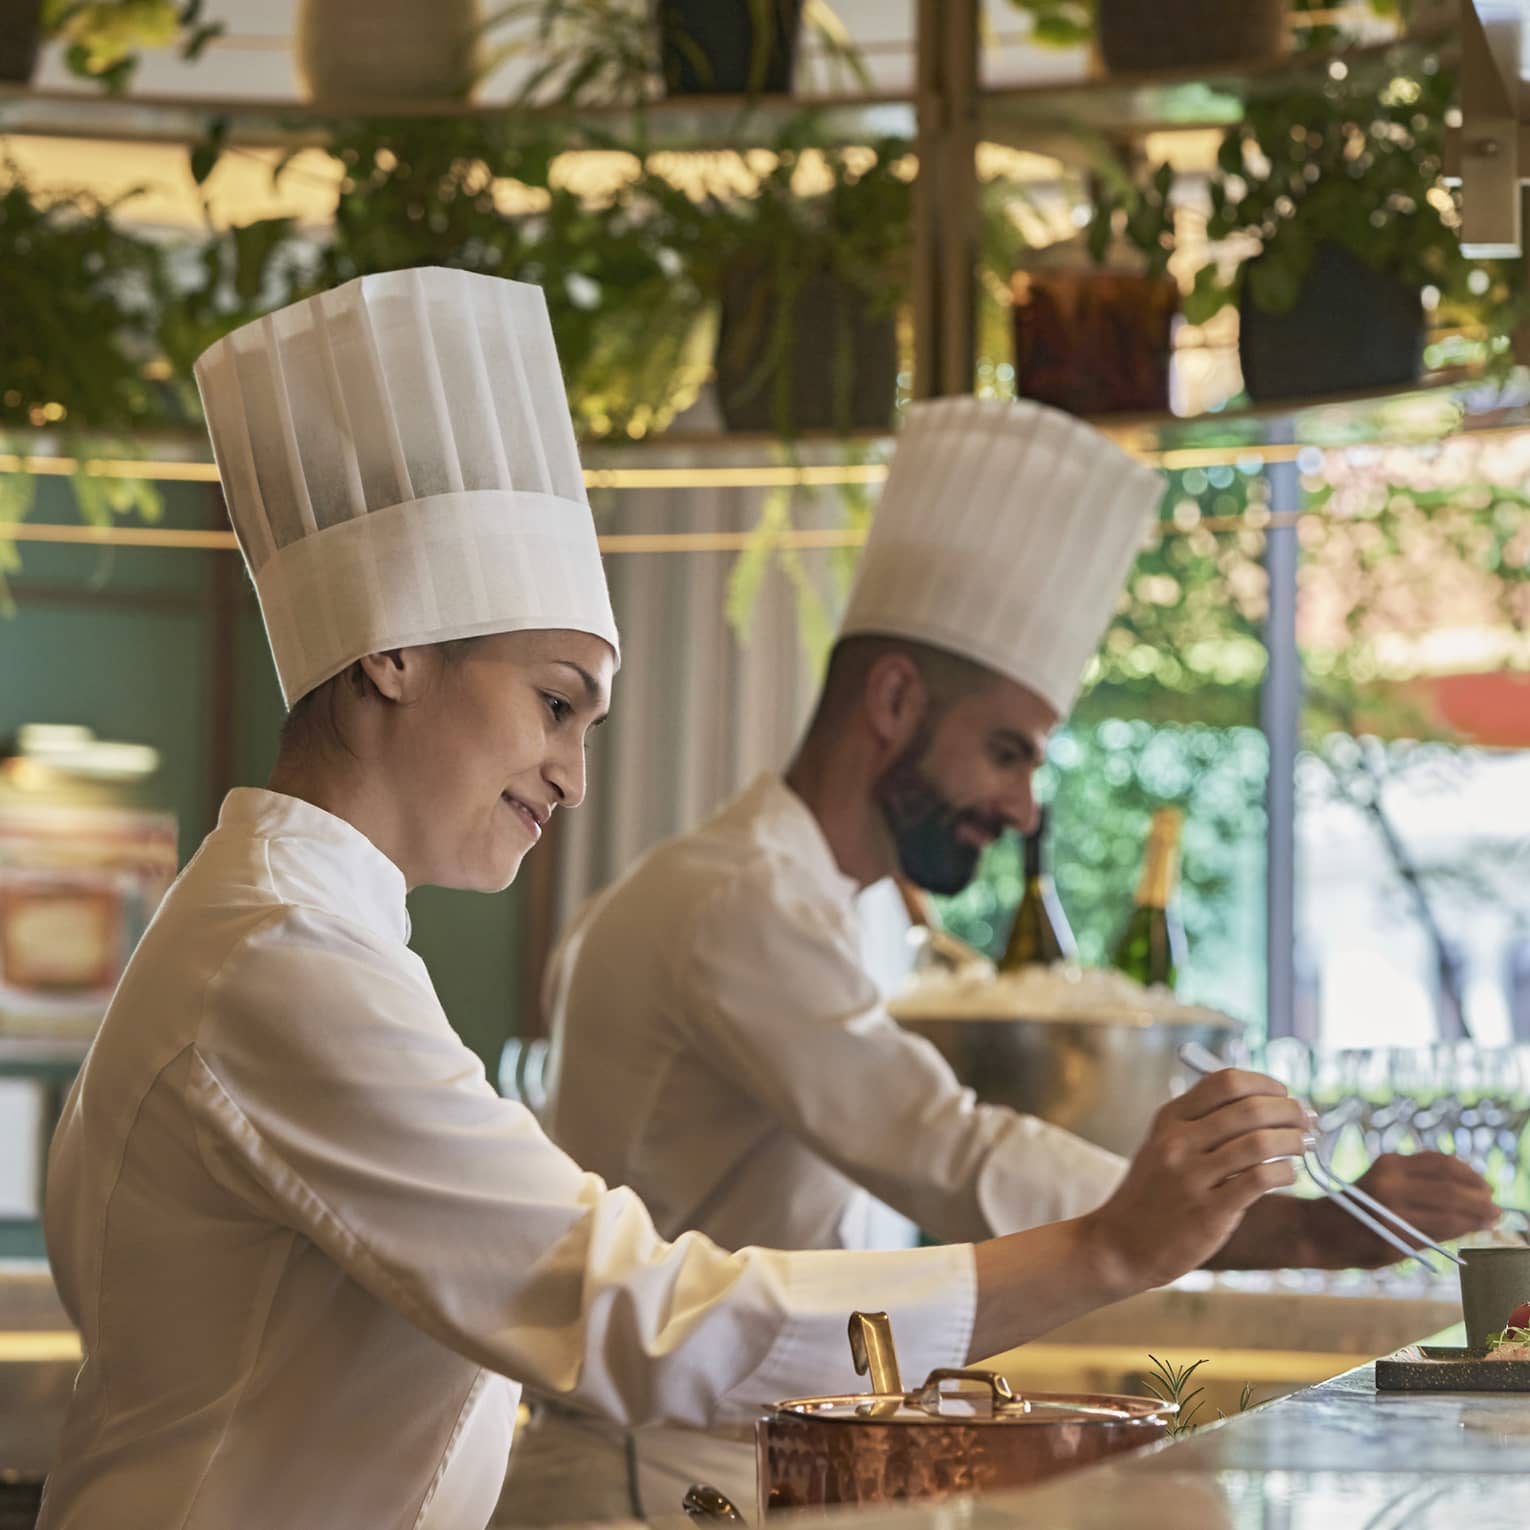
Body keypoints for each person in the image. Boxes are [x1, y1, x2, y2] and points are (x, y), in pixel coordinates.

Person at [35, 270, 1319, 1530]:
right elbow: (629, 1313)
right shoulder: (285, 958)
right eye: (554, 704)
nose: (575, 777)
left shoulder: (311, 931)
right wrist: (1108, 1249)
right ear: (392, 652)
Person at [513, 396, 1499, 1521]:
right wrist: (1300, 1227)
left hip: (755, 1462)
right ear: (892, 700)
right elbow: (949, 1150)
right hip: (654, 1484)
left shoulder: (848, 902)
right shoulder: (736, 901)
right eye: (1006, 751)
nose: (1025, 806)